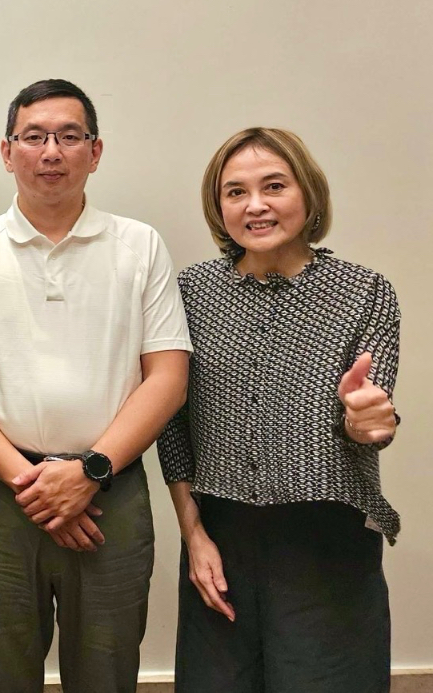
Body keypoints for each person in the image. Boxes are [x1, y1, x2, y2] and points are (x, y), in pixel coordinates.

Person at [0, 79, 192, 693]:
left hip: (111, 489)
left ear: (95, 152)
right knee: (1, 671)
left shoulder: (140, 246)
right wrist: (32, 486)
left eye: (69, 136)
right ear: (7, 152)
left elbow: (168, 377)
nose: (51, 151)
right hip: (2, 495)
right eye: (34, 137)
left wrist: (89, 471)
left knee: (107, 670)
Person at [157, 127, 400, 693]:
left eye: (274, 186)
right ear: (218, 207)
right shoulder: (189, 293)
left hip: (328, 536)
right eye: (235, 192)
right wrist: (193, 535)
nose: (256, 205)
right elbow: (173, 427)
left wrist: (368, 421)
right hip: (220, 534)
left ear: (308, 193)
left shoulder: (365, 292)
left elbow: (372, 415)